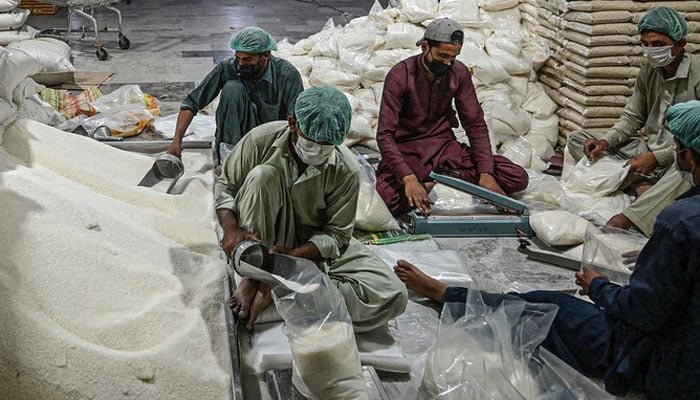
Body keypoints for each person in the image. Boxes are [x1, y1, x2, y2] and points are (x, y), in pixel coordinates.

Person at [393, 99, 700, 400]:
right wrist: (657, 256)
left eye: (677, 147)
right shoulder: (682, 224)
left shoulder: (679, 222)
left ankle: (447, 295)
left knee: (549, 306)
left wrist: (599, 286)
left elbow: (642, 313)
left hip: (667, 363)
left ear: (690, 155)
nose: (675, 154)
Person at [215, 86, 407, 332]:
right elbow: (226, 186)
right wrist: (230, 229)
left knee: (391, 295)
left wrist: (295, 258)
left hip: (308, 243)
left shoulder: (346, 168)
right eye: (312, 141)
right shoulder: (260, 141)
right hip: (261, 236)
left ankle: (276, 289)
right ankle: (256, 274)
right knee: (262, 176)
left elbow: (337, 234)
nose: (318, 150)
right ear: (293, 123)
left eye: (327, 145)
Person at [565, 6, 700, 236]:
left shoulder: (697, 74)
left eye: (658, 45)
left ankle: (633, 216)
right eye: (645, 44)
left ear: (680, 44)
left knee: (687, 174)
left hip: (681, 156)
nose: (650, 51)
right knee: (579, 140)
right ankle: (640, 185)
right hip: (647, 147)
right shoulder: (649, 70)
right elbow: (633, 115)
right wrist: (606, 142)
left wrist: (657, 158)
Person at [375, 18, 529, 216]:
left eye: (453, 57)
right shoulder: (400, 76)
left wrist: (486, 173)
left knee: (516, 177)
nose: (447, 63)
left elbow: (475, 125)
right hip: (409, 152)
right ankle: (437, 181)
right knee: (384, 199)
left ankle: (437, 180)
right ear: (425, 46)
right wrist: (408, 178)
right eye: (442, 56)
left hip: (445, 150)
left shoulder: (459, 73)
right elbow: (384, 135)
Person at [167, 26, 304, 167]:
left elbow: (297, 122)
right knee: (233, 89)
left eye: (248, 60)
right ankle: (230, 161)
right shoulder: (228, 68)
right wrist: (176, 142)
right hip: (238, 139)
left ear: (266, 55)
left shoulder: (287, 75)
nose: (241, 65)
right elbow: (191, 103)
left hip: (271, 143)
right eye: (238, 58)